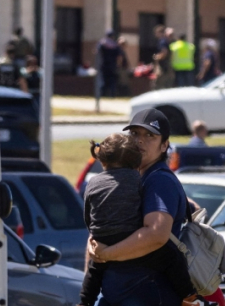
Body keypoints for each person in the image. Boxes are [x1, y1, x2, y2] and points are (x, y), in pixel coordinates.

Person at [88, 108, 205, 306]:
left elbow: (156, 234)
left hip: (148, 293)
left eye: (150, 135)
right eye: (134, 133)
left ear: (164, 146)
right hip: (120, 294)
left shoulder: (159, 180)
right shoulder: (129, 177)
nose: (140, 140)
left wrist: (105, 254)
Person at [96, 30, 122, 97]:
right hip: (112, 65)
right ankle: (112, 95)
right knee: (112, 81)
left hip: (103, 64)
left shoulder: (102, 44)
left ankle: (102, 94)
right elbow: (119, 56)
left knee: (103, 80)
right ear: (113, 36)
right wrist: (118, 65)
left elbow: (96, 53)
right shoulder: (115, 45)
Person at [153, 25, 175, 90]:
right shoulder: (167, 41)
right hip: (168, 64)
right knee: (168, 83)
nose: (155, 35)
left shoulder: (162, 41)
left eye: (156, 33)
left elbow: (164, 52)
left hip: (163, 65)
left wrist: (157, 57)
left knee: (158, 83)